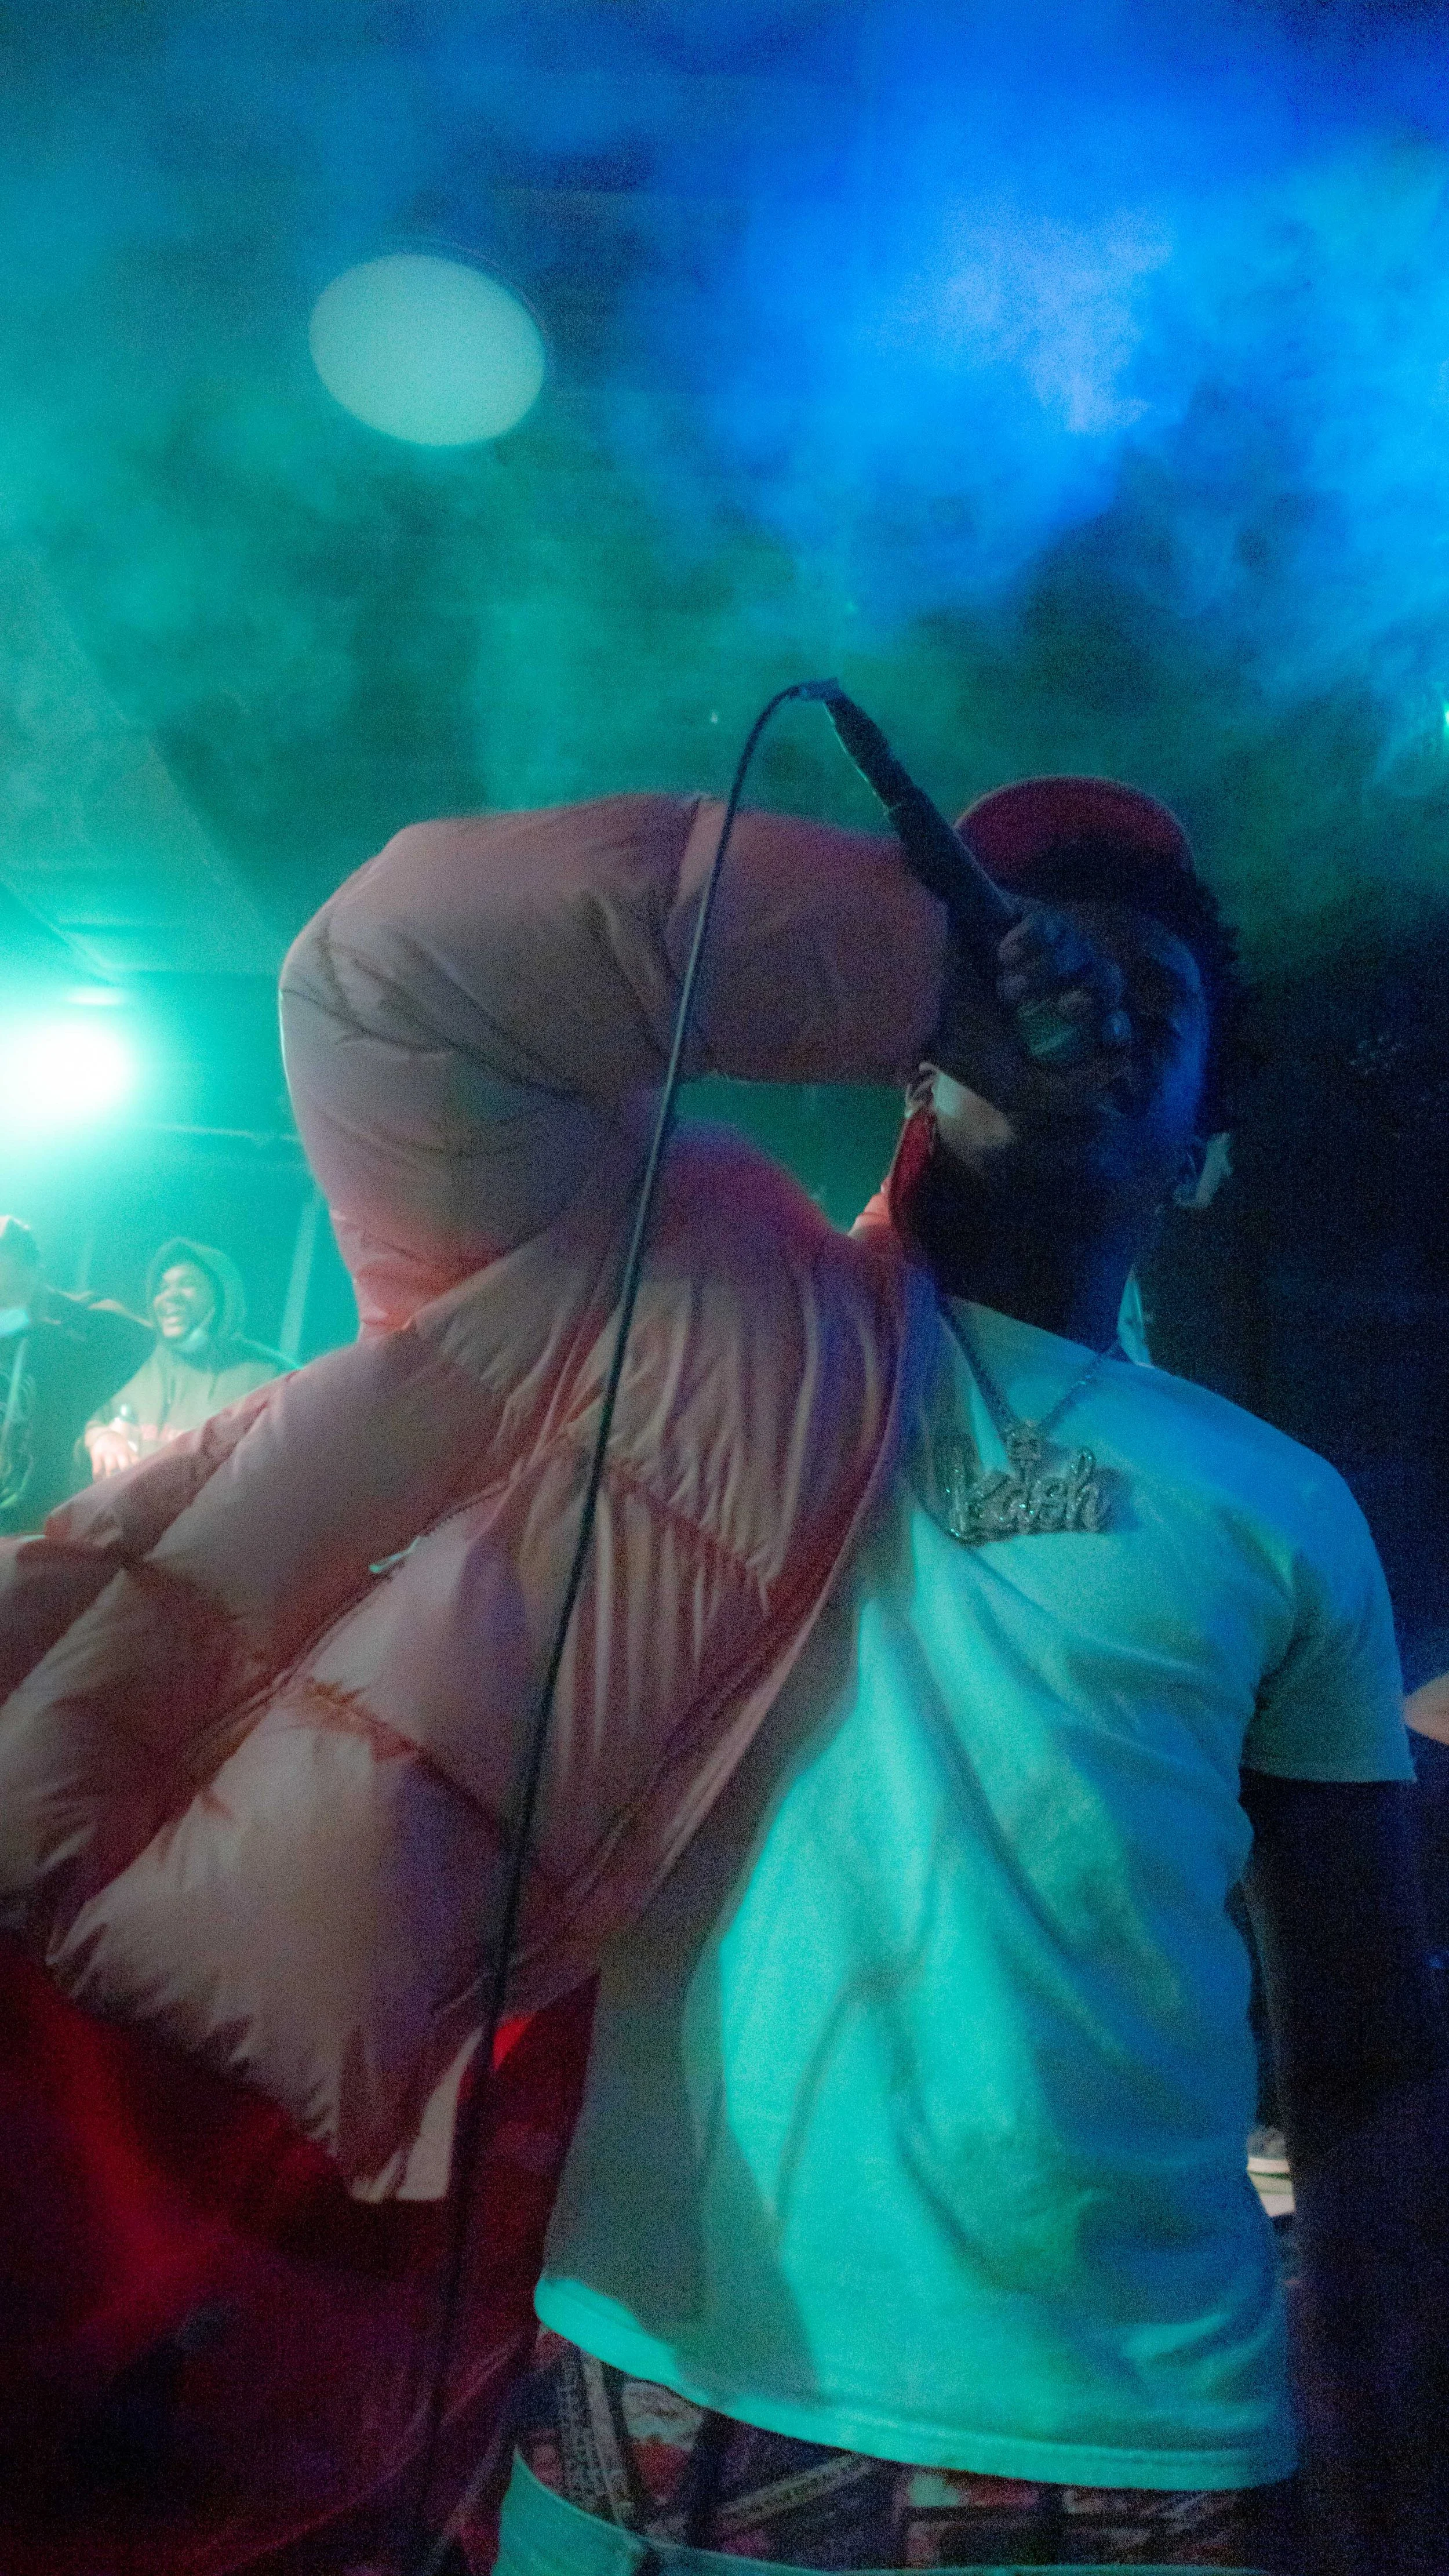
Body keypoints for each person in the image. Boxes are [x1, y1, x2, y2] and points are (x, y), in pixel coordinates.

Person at [0, 783, 1441, 2576]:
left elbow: (1365, 2051)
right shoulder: (664, 1307)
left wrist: (1390, 2461)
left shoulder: (1276, 1509)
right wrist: (917, 953)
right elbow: (389, 973)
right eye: (1042, 959)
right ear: (914, 1061)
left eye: (1158, 998)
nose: (1094, 998)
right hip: (633, 2422)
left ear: (1201, 1148)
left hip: (1136, 2460)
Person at [83, 1237, 288, 1476]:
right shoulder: (139, 1363)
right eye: (162, 1288)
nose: (170, 1296)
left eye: (187, 1284)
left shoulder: (269, 1376)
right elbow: (95, 1422)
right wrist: (101, 1436)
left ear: (221, 1294)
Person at [0, 1216, 152, 1535]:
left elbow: (148, 1343)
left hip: (43, 1526)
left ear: (33, 1267)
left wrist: (47, 1309)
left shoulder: (81, 1324)